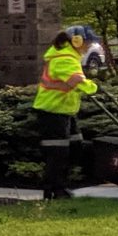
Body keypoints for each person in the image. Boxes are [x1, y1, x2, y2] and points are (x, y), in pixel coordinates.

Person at [34, 24, 99, 198]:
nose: (89, 46)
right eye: (88, 42)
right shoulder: (64, 59)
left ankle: (60, 185)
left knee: (76, 147)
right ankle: (54, 190)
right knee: (58, 153)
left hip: (65, 111)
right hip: (52, 111)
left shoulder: (70, 57)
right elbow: (76, 82)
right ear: (77, 41)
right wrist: (93, 87)